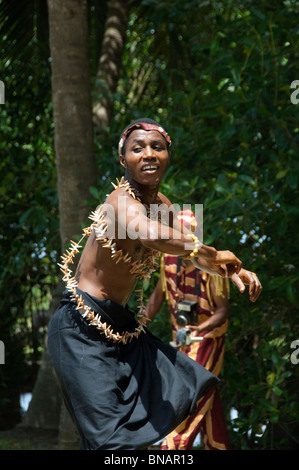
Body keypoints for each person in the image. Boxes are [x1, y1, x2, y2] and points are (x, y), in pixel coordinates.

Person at [47, 118, 260, 450]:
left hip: (123, 330)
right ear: (123, 160)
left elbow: (187, 254)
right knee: (111, 445)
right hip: (80, 328)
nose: (148, 154)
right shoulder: (120, 200)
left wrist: (229, 270)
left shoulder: (163, 206)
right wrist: (213, 251)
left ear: (167, 155)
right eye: (137, 148)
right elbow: (148, 233)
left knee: (188, 385)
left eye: (156, 147)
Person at [145, 209, 261, 450]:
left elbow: (221, 311)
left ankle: (171, 449)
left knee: (190, 393)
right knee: (205, 394)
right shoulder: (167, 259)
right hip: (181, 339)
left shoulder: (209, 263)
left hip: (207, 338)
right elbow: (157, 297)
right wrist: (139, 324)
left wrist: (200, 327)